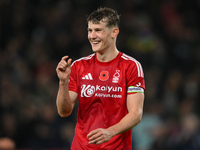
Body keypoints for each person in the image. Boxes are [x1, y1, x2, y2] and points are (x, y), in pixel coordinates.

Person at [56, 7, 145, 150]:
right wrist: (63, 82)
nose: (92, 36)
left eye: (98, 30)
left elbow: (136, 113)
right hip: (81, 146)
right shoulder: (79, 66)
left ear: (114, 32)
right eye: (90, 30)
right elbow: (63, 111)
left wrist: (110, 132)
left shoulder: (131, 66)